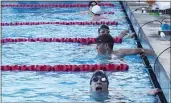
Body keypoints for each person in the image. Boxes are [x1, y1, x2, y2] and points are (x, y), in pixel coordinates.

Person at [90, 70, 162, 95]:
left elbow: (134, 94)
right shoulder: (83, 94)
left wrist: (149, 92)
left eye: (103, 79)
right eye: (95, 79)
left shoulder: (115, 94)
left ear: (108, 85)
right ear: (90, 85)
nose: (99, 82)